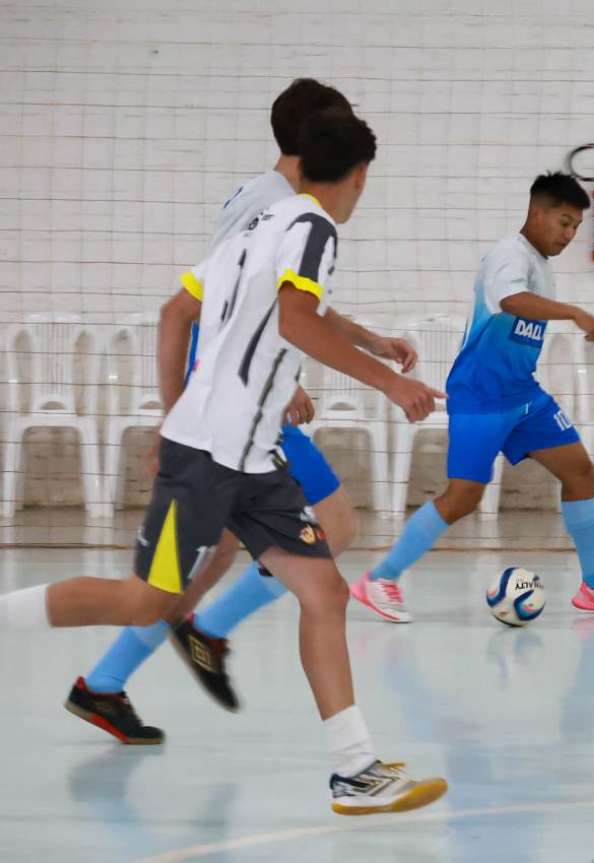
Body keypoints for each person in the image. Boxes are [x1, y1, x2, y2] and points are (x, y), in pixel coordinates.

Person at [0, 108, 448, 814]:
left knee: (325, 590)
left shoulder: (260, 227)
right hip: (209, 455)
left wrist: (369, 341)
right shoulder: (317, 230)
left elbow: (197, 309)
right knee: (150, 598)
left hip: (252, 456)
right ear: (359, 176)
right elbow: (296, 319)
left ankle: (354, 768)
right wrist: (391, 382)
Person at [65, 78, 416, 744]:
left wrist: (367, 337)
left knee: (218, 550)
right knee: (331, 524)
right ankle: (196, 636)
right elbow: (215, 306)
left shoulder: (277, 199)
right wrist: (273, 389)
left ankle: (108, 681)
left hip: (236, 405)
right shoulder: (273, 203)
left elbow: (285, 299)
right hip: (237, 410)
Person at [350, 172, 594, 623]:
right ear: (537, 213)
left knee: (581, 471)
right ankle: (380, 578)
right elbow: (511, 301)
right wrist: (573, 312)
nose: (569, 236)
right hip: (481, 397)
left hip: (524, 394)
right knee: (462, 497)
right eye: (563, 223)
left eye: (575, 228)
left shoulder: (541, 267)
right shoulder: (508, 256)